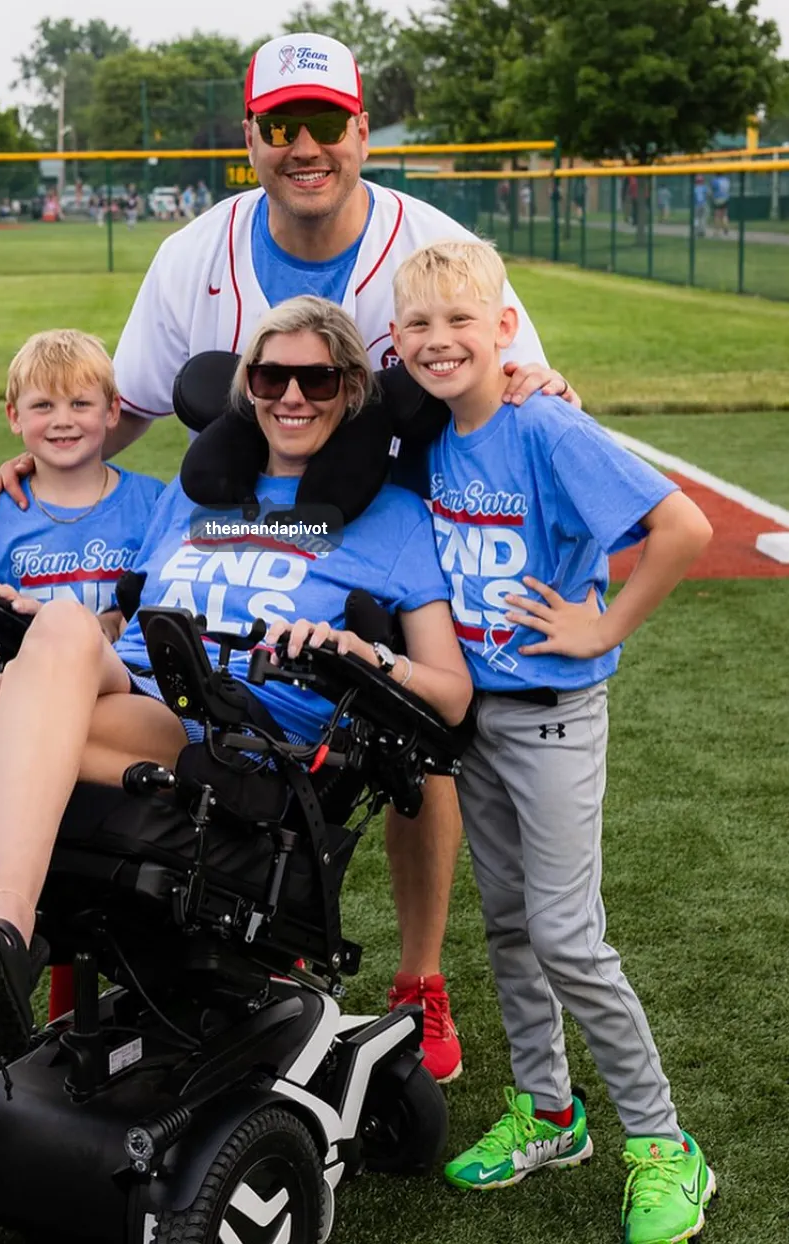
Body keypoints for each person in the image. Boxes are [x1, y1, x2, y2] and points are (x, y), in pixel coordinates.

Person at [0, 31, 581, 1085]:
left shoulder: (429, 241)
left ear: (361, 131)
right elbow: (138, 402)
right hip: (266, 509)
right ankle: (164, 935)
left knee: (414, 745)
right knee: (174, 681)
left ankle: (420, 978)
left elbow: (510, 373)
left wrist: (541, 391)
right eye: (281, 124)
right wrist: (47, 458)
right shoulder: (194, 255)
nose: (305, 146)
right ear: (250, 136)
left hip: (413, 499)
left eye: (326, 123)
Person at [0, 298, 472, 1068]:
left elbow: (452, 693)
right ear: (247, 388)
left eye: (317, 380)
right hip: (132, 687)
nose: (290, 397)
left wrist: (367, 654)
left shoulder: (393, 519)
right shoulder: (191, 497)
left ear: (351, 390)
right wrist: (30, 614)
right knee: (45, 639)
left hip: (228, 733)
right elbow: (114, 628)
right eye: (270, 377)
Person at [389, 239, 715, 1244]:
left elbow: (684, 527)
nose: (438, 339)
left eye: (460, 319)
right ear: (396, 339)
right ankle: (550, 1112)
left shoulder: (545, 424)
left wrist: (603, 626)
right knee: (510, 925)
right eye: (418, 323)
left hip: (553, 715)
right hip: (477, 719)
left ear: (502, 328)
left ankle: (664, 1143)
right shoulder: (431, 433)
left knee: (569, 936)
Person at [0, 329, 164, 645]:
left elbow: (167, 606)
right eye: (43, 405)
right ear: (14, 416)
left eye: (80, 403)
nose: (62, 420)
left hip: (126, 673)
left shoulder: (154, 502)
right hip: (26, 673)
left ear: (112, 411)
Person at [711, 172, 731, 236]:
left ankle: (717, 231)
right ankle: (726, 227)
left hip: (718, 199)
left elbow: (713, 189)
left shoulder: (715, 180)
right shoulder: (726, 180)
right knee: (724, 215)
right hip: (726, 198)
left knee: (717, 215)